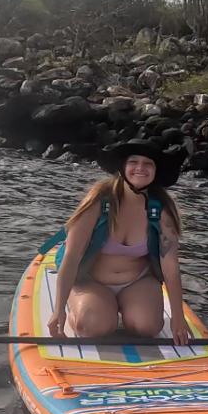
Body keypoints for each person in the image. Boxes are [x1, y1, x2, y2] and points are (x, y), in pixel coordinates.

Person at [42, 139, 189, 345]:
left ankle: (124, 309)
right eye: (133, 162)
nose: (140, 168)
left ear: (155, 171)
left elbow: (170, 266)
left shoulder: (162, 211)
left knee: (148, 328)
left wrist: (178, 316)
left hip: (137, 281)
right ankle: (84, 308)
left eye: (148, 163)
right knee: (94, 327)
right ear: (122, 167)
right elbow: (72, 255)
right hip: (93, 280)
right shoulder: (99, 200)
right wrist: (58, 311)